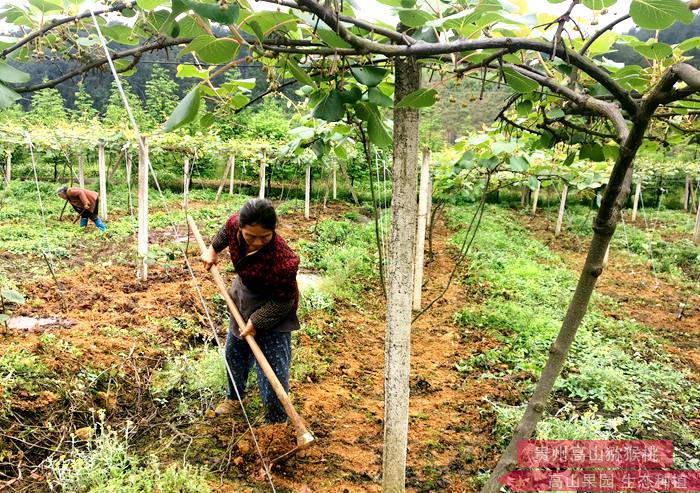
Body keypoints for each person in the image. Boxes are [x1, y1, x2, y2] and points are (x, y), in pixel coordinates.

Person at [201, 198, 300, 423]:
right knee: (234, 353)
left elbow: (284, 301)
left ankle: (276, 422)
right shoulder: (235, 225)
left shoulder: (283, 261)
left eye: (264, 237)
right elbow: (225, 232)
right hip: (244, 294)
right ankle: (235, 398)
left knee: (272, 369)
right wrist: (212, 249)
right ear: (242, 228)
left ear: (273, 231)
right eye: (250, 236)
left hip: (275, 305)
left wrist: (257, 321)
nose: (256, 242)